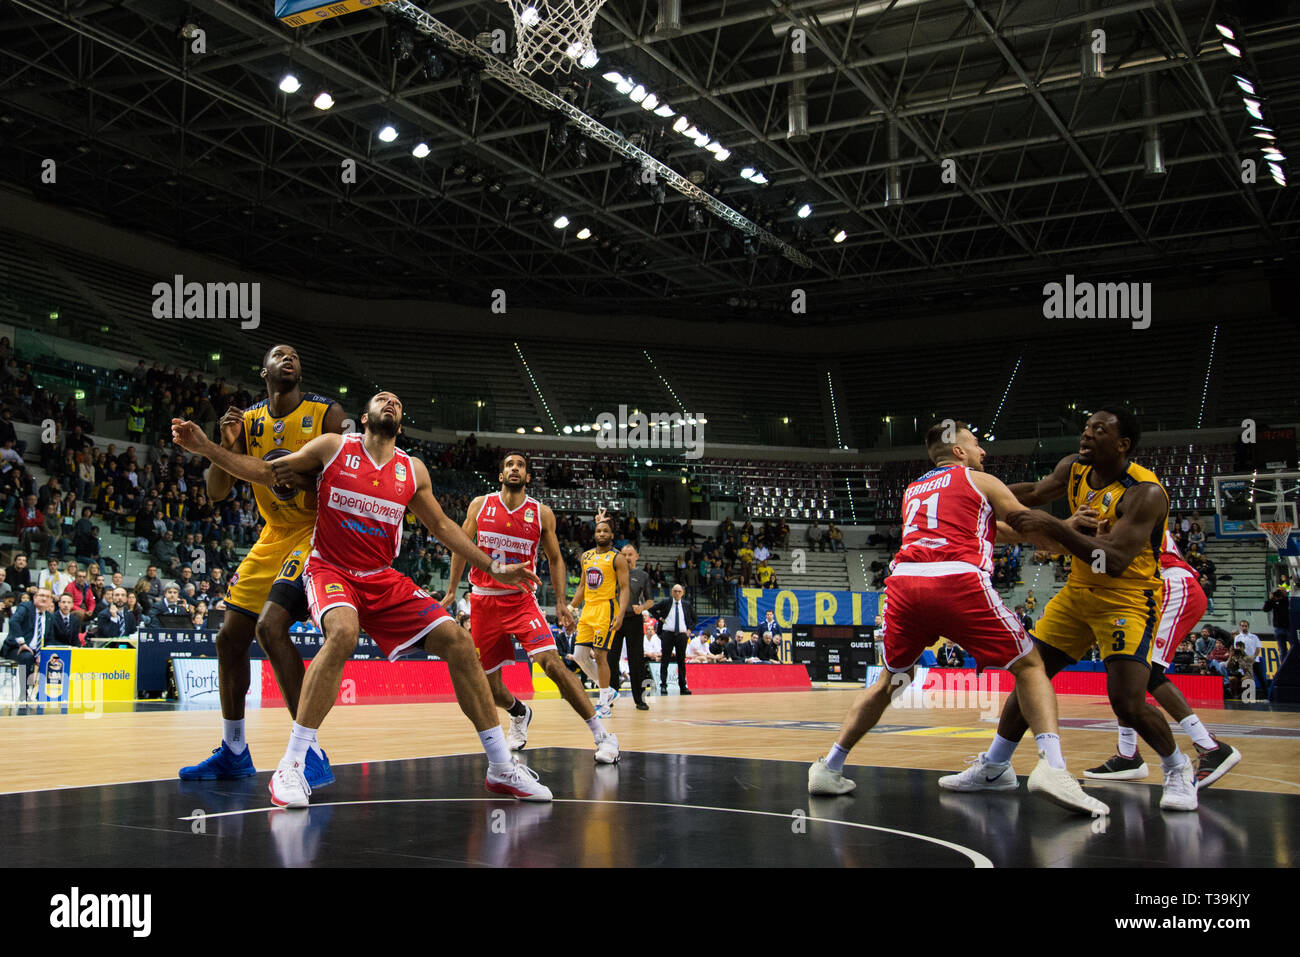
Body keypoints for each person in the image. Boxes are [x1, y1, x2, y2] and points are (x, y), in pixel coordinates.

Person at [172, 391, 548, 808]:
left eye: (397, 404)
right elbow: (265, 471)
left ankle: (500, 766)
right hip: (329, 569)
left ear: (400, 425)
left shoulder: (412, 469)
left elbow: (442, 525)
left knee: (459, 643)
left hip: (382, 579)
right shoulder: (334, 447)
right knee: (343, 632)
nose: (390, 403)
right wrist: (206, 447)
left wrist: (493, 566)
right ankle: (293, 764)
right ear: (363, 419)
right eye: (381, 400)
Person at [808, 420, 1107, 816]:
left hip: (904, 585)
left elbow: (995, 531)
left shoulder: (914, 490)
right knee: (1031, 665)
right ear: (961, 452)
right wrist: (1074, 537)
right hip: (955, 580)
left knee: (891, 681)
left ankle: (829, 767)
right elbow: (1026, 522)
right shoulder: (979, 480)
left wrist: (1059, 531)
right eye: (978, 445)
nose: (984, 452)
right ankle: (1053, 768)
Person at [938, 409, 1198, 811]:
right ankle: (995, 765)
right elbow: (1037, 494)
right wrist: (980, 492)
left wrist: (1057, 526)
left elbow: (1114, 560)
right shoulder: (1074, 467)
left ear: (1122, 444)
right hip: (1077, 592)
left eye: (1099, 430)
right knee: (1030, 673)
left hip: (1127, 597)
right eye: (1087, 427)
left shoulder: (1145, 492)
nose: (1087, 434)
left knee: (1126, 701)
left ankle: (1178, 767)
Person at [174, 344, 345, 789]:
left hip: (316, 531)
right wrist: (223, 447)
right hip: (272, 536)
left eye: (294, 355)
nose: (289, 358)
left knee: (271, 628)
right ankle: (233, 751)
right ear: (263, 370)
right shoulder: (247, 421)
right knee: (229, 637)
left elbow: (344, 477)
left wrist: (296, 474)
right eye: (279, 354)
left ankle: (310, 752)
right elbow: (216, 492)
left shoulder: (325, 413)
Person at [442, 452, 617, 762]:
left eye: (520, 465)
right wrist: (452, 589)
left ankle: (603, 736)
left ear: (527, 477)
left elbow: (555, 559)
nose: (514, 468)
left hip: (521, 600)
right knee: (490, 688)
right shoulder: (480, 505)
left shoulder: (541, 513)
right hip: (483, 600)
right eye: (508, 464)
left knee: (553, 664)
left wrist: (562, 602)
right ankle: (519, 712)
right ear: (500, 476)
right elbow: (460, 545)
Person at [1086, 529, 1241, 789]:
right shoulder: (1120, 503)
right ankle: (1127, 755)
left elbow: (1110, 558)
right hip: (1155, 589)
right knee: (1125, 669)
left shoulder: (1132, 499)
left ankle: (1210, 747)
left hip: (1173, 585)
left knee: (1148, 672)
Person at [568, 514, 630, 718]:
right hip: (588, 609)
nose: (601, 533)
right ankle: (609, 690)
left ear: (612, 535)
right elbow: (582, 586)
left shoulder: (617, 557)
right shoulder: (586, 556)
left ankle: (604, 703)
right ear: (594, 534)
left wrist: (620, 614)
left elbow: (625, 588)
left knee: (601, 655)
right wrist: (570, 608)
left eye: (605, 531)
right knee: (579, 656)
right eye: (598, 531)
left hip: (606, 608)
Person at [605, 544, 655, 710]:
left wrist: (641, 608)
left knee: (637, 661)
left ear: (636, 556)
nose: (627, 557)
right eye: (624, 554)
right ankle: (610, 697)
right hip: (615, 620)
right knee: (611, 659)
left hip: (634, 620)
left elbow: (650, 600)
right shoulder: (613, 573)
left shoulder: (642, 575)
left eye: (630, 554)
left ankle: (640, 699)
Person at [2, 587, 58, 697]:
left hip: (36, 651)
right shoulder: (26, 607)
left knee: (55, 659)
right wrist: (22, 643)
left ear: (51, 601)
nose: (44, 599)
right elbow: (14, 621)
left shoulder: (50, 617)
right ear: (34, 597)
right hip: (15, 648)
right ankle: (24, 692)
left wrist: (43, 653)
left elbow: (50, 639)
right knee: (27, 657)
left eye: (47, 597)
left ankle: (47, 694)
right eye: (41, 595)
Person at [651, 584, 696, 695]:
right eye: (675, 591)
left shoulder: (686, 605)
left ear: (682, 593)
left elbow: (695, 619)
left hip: (681, 635)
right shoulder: (666, 602)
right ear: (672, 592)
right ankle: (663, 685)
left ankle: (683, 686)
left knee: (681, 660)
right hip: (667, 634)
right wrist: (660, 618)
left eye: (679, 591)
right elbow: (652, 609)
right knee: (665, 659)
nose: (677, 593)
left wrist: (689, 629)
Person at [1263, 588, 1293, 662]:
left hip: (1289, 627)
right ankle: (1284, 667)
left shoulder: (1288, 600)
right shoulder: (1274, 601)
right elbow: (1265, 609)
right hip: (1278, 628)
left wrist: (1284, 596)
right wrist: (1271, 599)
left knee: (1294, 647)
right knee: (1282, 650)